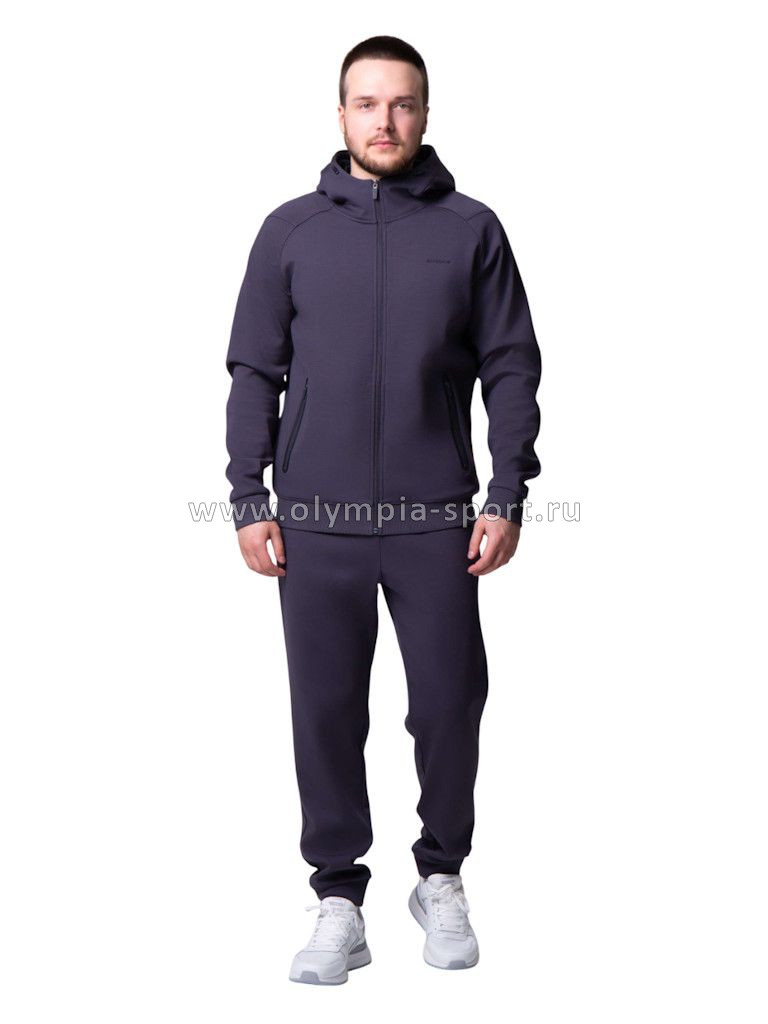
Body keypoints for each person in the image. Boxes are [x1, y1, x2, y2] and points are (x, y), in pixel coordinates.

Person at [224, 35, 542, 985]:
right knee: (325, 711)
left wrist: (508, 491)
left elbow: (511, 366)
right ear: (341, 115)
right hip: (313, 520)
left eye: (402, 103)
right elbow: (255, 371)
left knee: (449, 702)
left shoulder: (472, 229)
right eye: (367, 103)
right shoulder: (289, 232)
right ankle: (337, 898)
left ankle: (440, 875)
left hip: (436, 516)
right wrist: (248, 495)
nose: (385, 121)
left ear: (426, 113)